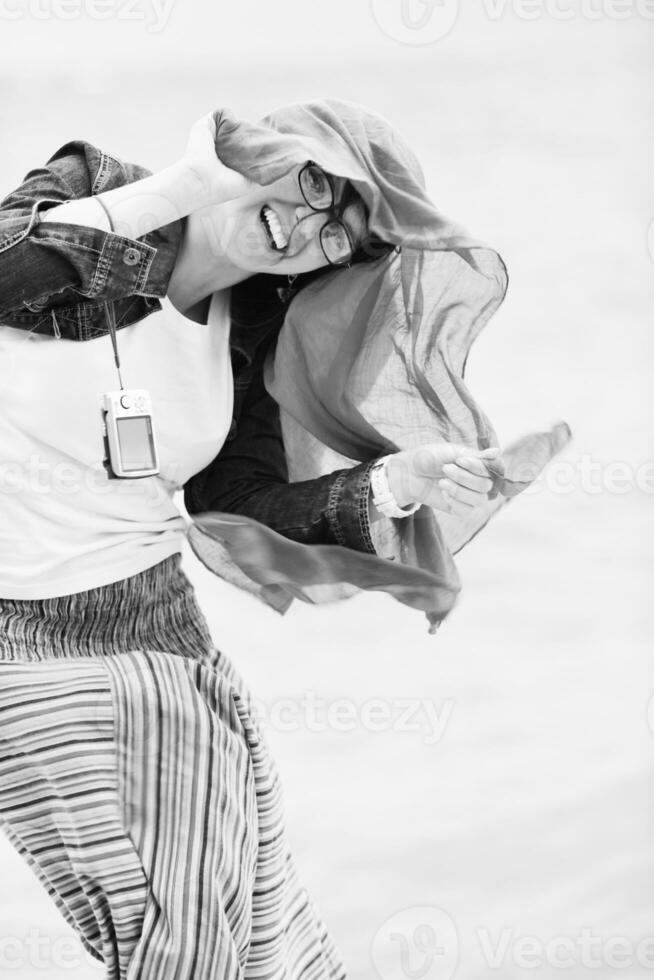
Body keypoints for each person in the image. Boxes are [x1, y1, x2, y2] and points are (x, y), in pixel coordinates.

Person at [0, 100, 560, 979]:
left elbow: (241, 501)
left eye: (340, 234)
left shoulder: (249, 329)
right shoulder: (94, 191)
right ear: (269, 149)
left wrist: (388, 485)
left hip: (167, 644)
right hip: (30, 657)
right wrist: (184, 188)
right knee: (169, 944)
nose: (307, 226)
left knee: (252, 937)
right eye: (312, 183)